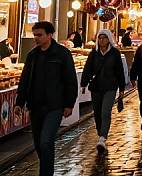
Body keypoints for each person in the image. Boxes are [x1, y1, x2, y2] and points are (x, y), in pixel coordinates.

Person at [15, 22, 77, 176]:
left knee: (46, 141)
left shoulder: (62, 54)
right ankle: (47, 166)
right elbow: (25, 79)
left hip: (54, 105)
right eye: (35, 35)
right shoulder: (32, 55)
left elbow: (70, 80)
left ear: (49, 35)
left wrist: (69, 104)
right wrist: (19, 102)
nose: (36, 38)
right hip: (35, 106)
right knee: (38, 144)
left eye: (39, 35)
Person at [81, 29, 126, 152]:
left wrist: (122, 88)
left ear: (109, 39)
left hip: (110, 87)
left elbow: (119, 72)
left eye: (104, 38)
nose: (102, 40)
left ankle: (102, 138)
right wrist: (83, 83)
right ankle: (100, 132)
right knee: (97, 112)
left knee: (105, 111)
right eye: (100, 38)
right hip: (96, 87)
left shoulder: (115, 53)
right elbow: (88, 68)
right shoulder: (94, 53)